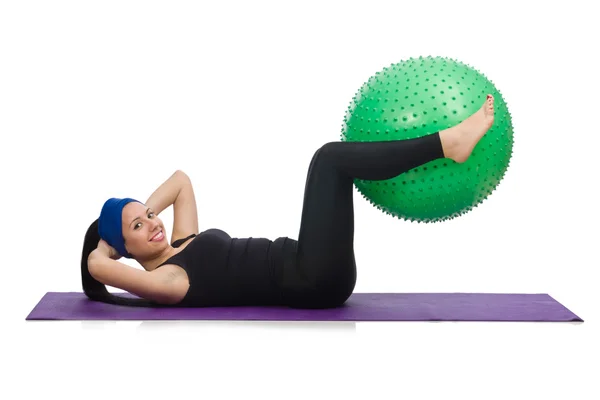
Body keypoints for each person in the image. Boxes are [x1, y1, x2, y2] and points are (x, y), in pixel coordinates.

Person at [81, 95, 495, 309]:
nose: (154, 223)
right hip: (315, 279)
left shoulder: (181, 241)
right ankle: (448, 144)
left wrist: (137, 214)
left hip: (309, 262)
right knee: (330, 159)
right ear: (125, 251)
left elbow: (180, 182)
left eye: (151, 215)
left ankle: (449, 144)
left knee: (329, 159)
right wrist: (108, 246)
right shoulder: (168, 283)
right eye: (138, 228)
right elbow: (96, 267)